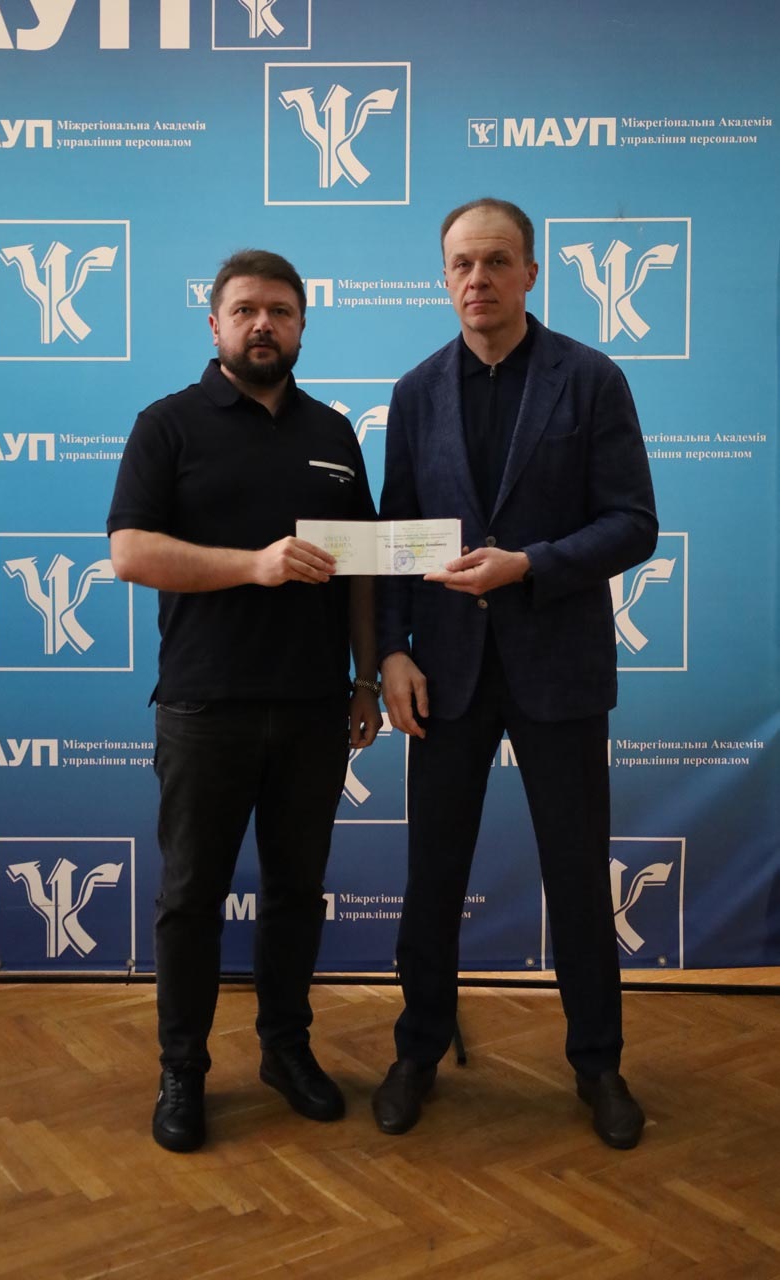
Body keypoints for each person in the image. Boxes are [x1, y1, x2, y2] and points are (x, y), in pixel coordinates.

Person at [373, 198, 658, 1149]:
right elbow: (394, 540)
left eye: (497, 260)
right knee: (431, 874)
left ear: (532, 273)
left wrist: (528, 565)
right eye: (461, 263)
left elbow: (633, 523)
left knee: (576, 874)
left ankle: (598, 1065)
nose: (478, 278)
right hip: (444, 672)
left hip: (557, 668)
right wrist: (390, 652)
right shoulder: (415, 393)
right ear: (442, 277)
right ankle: (417, 1050)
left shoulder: (592, 378)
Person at [107, 249, 381, 1153]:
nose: (263, 324)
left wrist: (365, 678)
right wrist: (252, 566)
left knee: (297, 893)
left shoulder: (333, 432)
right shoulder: (167, 425)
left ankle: (284, 1051)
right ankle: (181, 1070)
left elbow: (360, 569)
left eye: (280, 311)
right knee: (191, 898)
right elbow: (130, 553)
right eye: (245, 310)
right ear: (215, 324)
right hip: (204, 706)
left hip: (313, 708)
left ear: (301, 325)